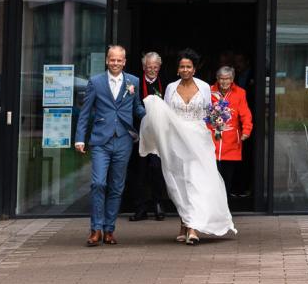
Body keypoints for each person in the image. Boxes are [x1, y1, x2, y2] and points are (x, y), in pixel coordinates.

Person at [141, 49, 234, 245]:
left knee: (196, 181)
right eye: (182, 66)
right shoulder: (170, 88)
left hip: (198, 140)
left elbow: (209, 112)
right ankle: (184, 224)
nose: (185, 70)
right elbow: (164, 116)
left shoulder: (204, 88)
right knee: (180, 183)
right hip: (176, 141)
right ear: (177, 69)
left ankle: (193, 227)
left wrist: (218, 121)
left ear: (194, 68)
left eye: (188, 67)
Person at [75, 44, 144, 247]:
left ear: (124, 61)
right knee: (98, 183)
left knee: (116, 187)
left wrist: (153, 113)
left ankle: (109, 230)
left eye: (119, 60)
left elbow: (137, 107)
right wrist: (80, 138)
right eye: (112, 59)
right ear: (107, 60)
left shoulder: (134, 82)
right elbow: (85, 112)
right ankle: (95, 229)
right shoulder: (95, 82)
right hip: (100, 141)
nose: (115, 63)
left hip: (123, 140)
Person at [127, 52, 169, 221]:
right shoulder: (135, 83)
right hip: (139, 133)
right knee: (140, 171)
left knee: (157, 169)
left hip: (159, 134)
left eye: (155, 67)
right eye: (149, 67)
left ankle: (158, 204)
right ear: (144, 67)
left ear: (159, 67)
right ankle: (140, 208)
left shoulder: (165, 83)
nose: (152, 70)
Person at [210, 66, 253, 198]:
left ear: (232, 79)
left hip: (231, 140)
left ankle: (224, 206)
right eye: (221, 79)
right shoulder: (208, 91)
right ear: (217, 79)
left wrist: (246, 130)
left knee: (227, 176)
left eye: (227, 79)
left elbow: (245, 114)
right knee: (212, 176)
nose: (224, 82)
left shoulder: (240, 92)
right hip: (212, 139)